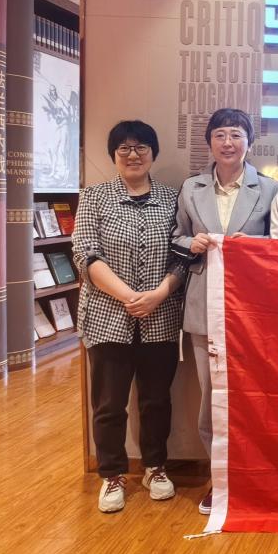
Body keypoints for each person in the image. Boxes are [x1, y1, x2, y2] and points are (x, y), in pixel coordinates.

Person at [170, 108, 278, 515]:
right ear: (209, 142)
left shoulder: (270, 189)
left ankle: (257, 474)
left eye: (236, 134)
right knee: (212, 397)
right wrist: (193, 243)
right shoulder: (191, 187)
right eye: (220, 135)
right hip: (205, 307)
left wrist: (251, 247)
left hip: (255, 312)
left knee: (257, 396)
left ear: (249, 142)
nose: (228, 143)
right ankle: (218, 478)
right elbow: (176, 236)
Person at [72, 120, 183, 514]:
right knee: (108, 404)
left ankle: (155, 467)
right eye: (124, 148)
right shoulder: (94, 197)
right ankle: (112, 474)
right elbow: (85, 253)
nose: (133, 154)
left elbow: (182, 255)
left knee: (156, 400)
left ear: (153, 153)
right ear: (113, 154)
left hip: (161, 316)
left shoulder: (173, 198)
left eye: (141, 147)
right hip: (107, 317)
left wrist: (157, 295)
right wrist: (128, 296)